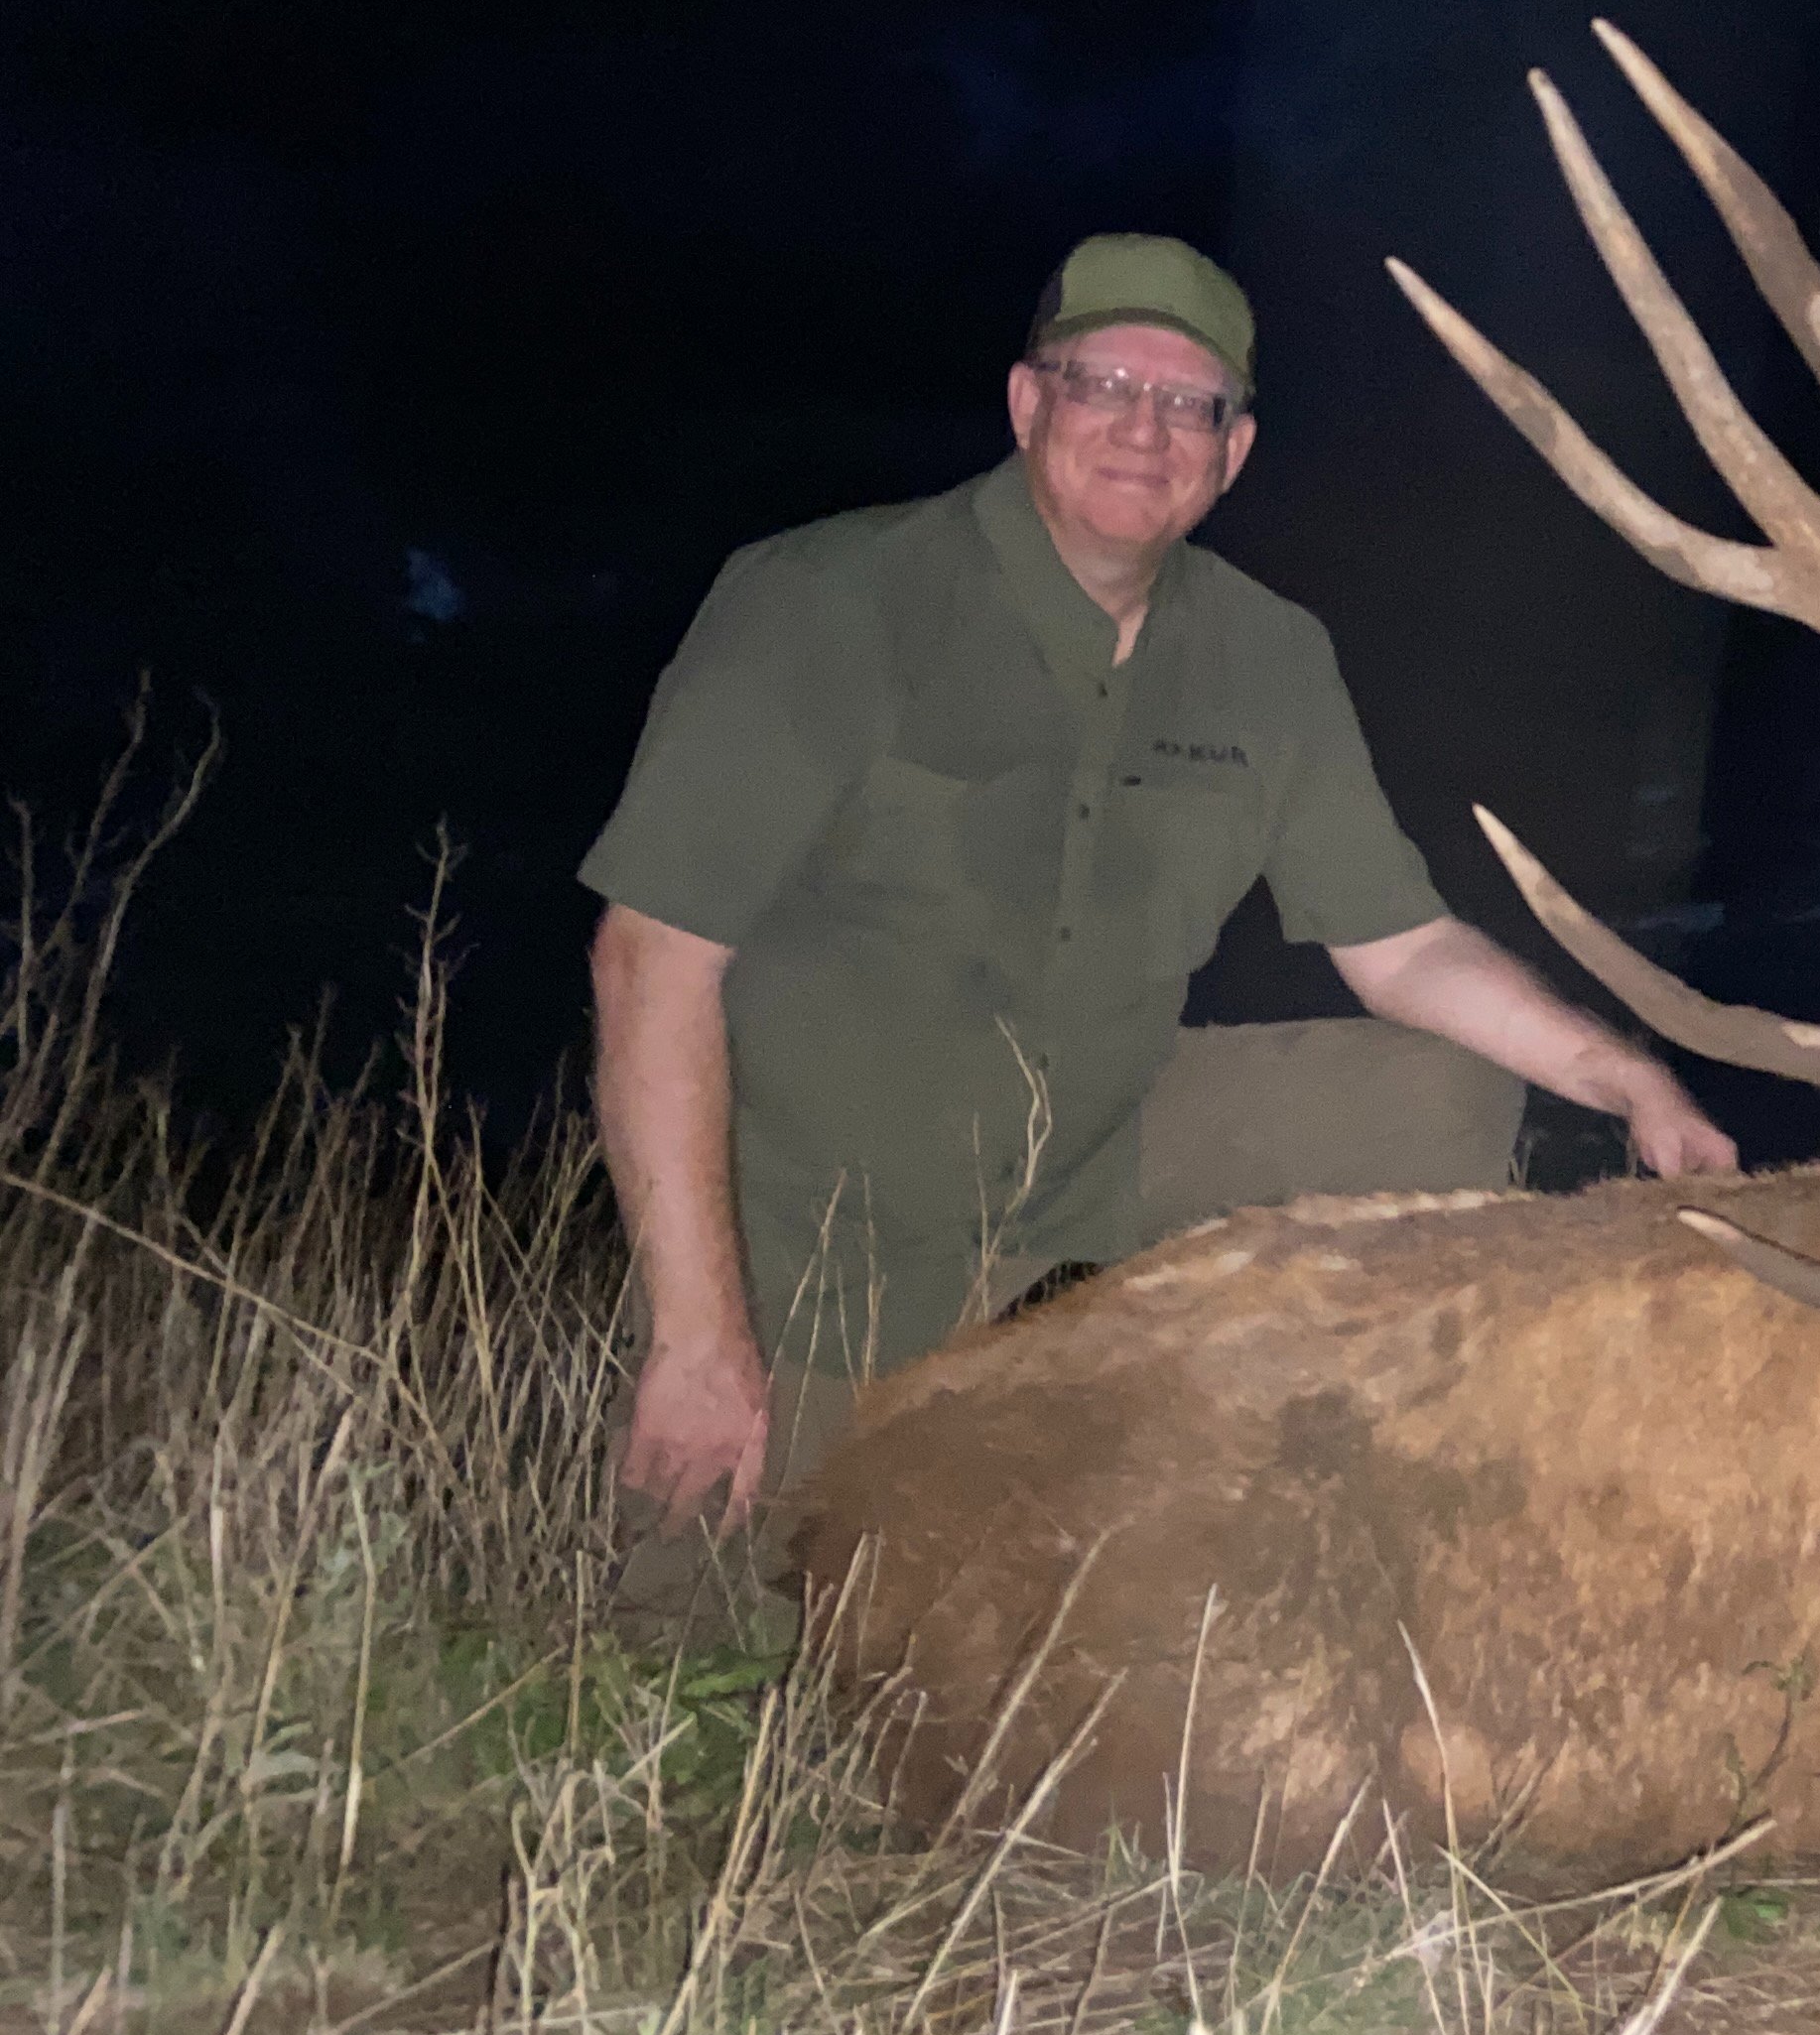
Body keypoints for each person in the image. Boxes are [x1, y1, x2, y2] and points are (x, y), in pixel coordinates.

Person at [584, 233, 1736, 1598]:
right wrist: (701, 1340)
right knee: (730, 1648)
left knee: (1437, 1090)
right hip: (828, 1243)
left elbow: (1404, 948)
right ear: (1028, 405)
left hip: (1096, 1168)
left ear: (1233, 452)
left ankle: (1323, 1464)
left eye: (1190, 404)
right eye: (1105, 383)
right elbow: (649, 961)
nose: (1145, 428)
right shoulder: (825, 604)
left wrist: (1631, 1081)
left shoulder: (1268, 655)